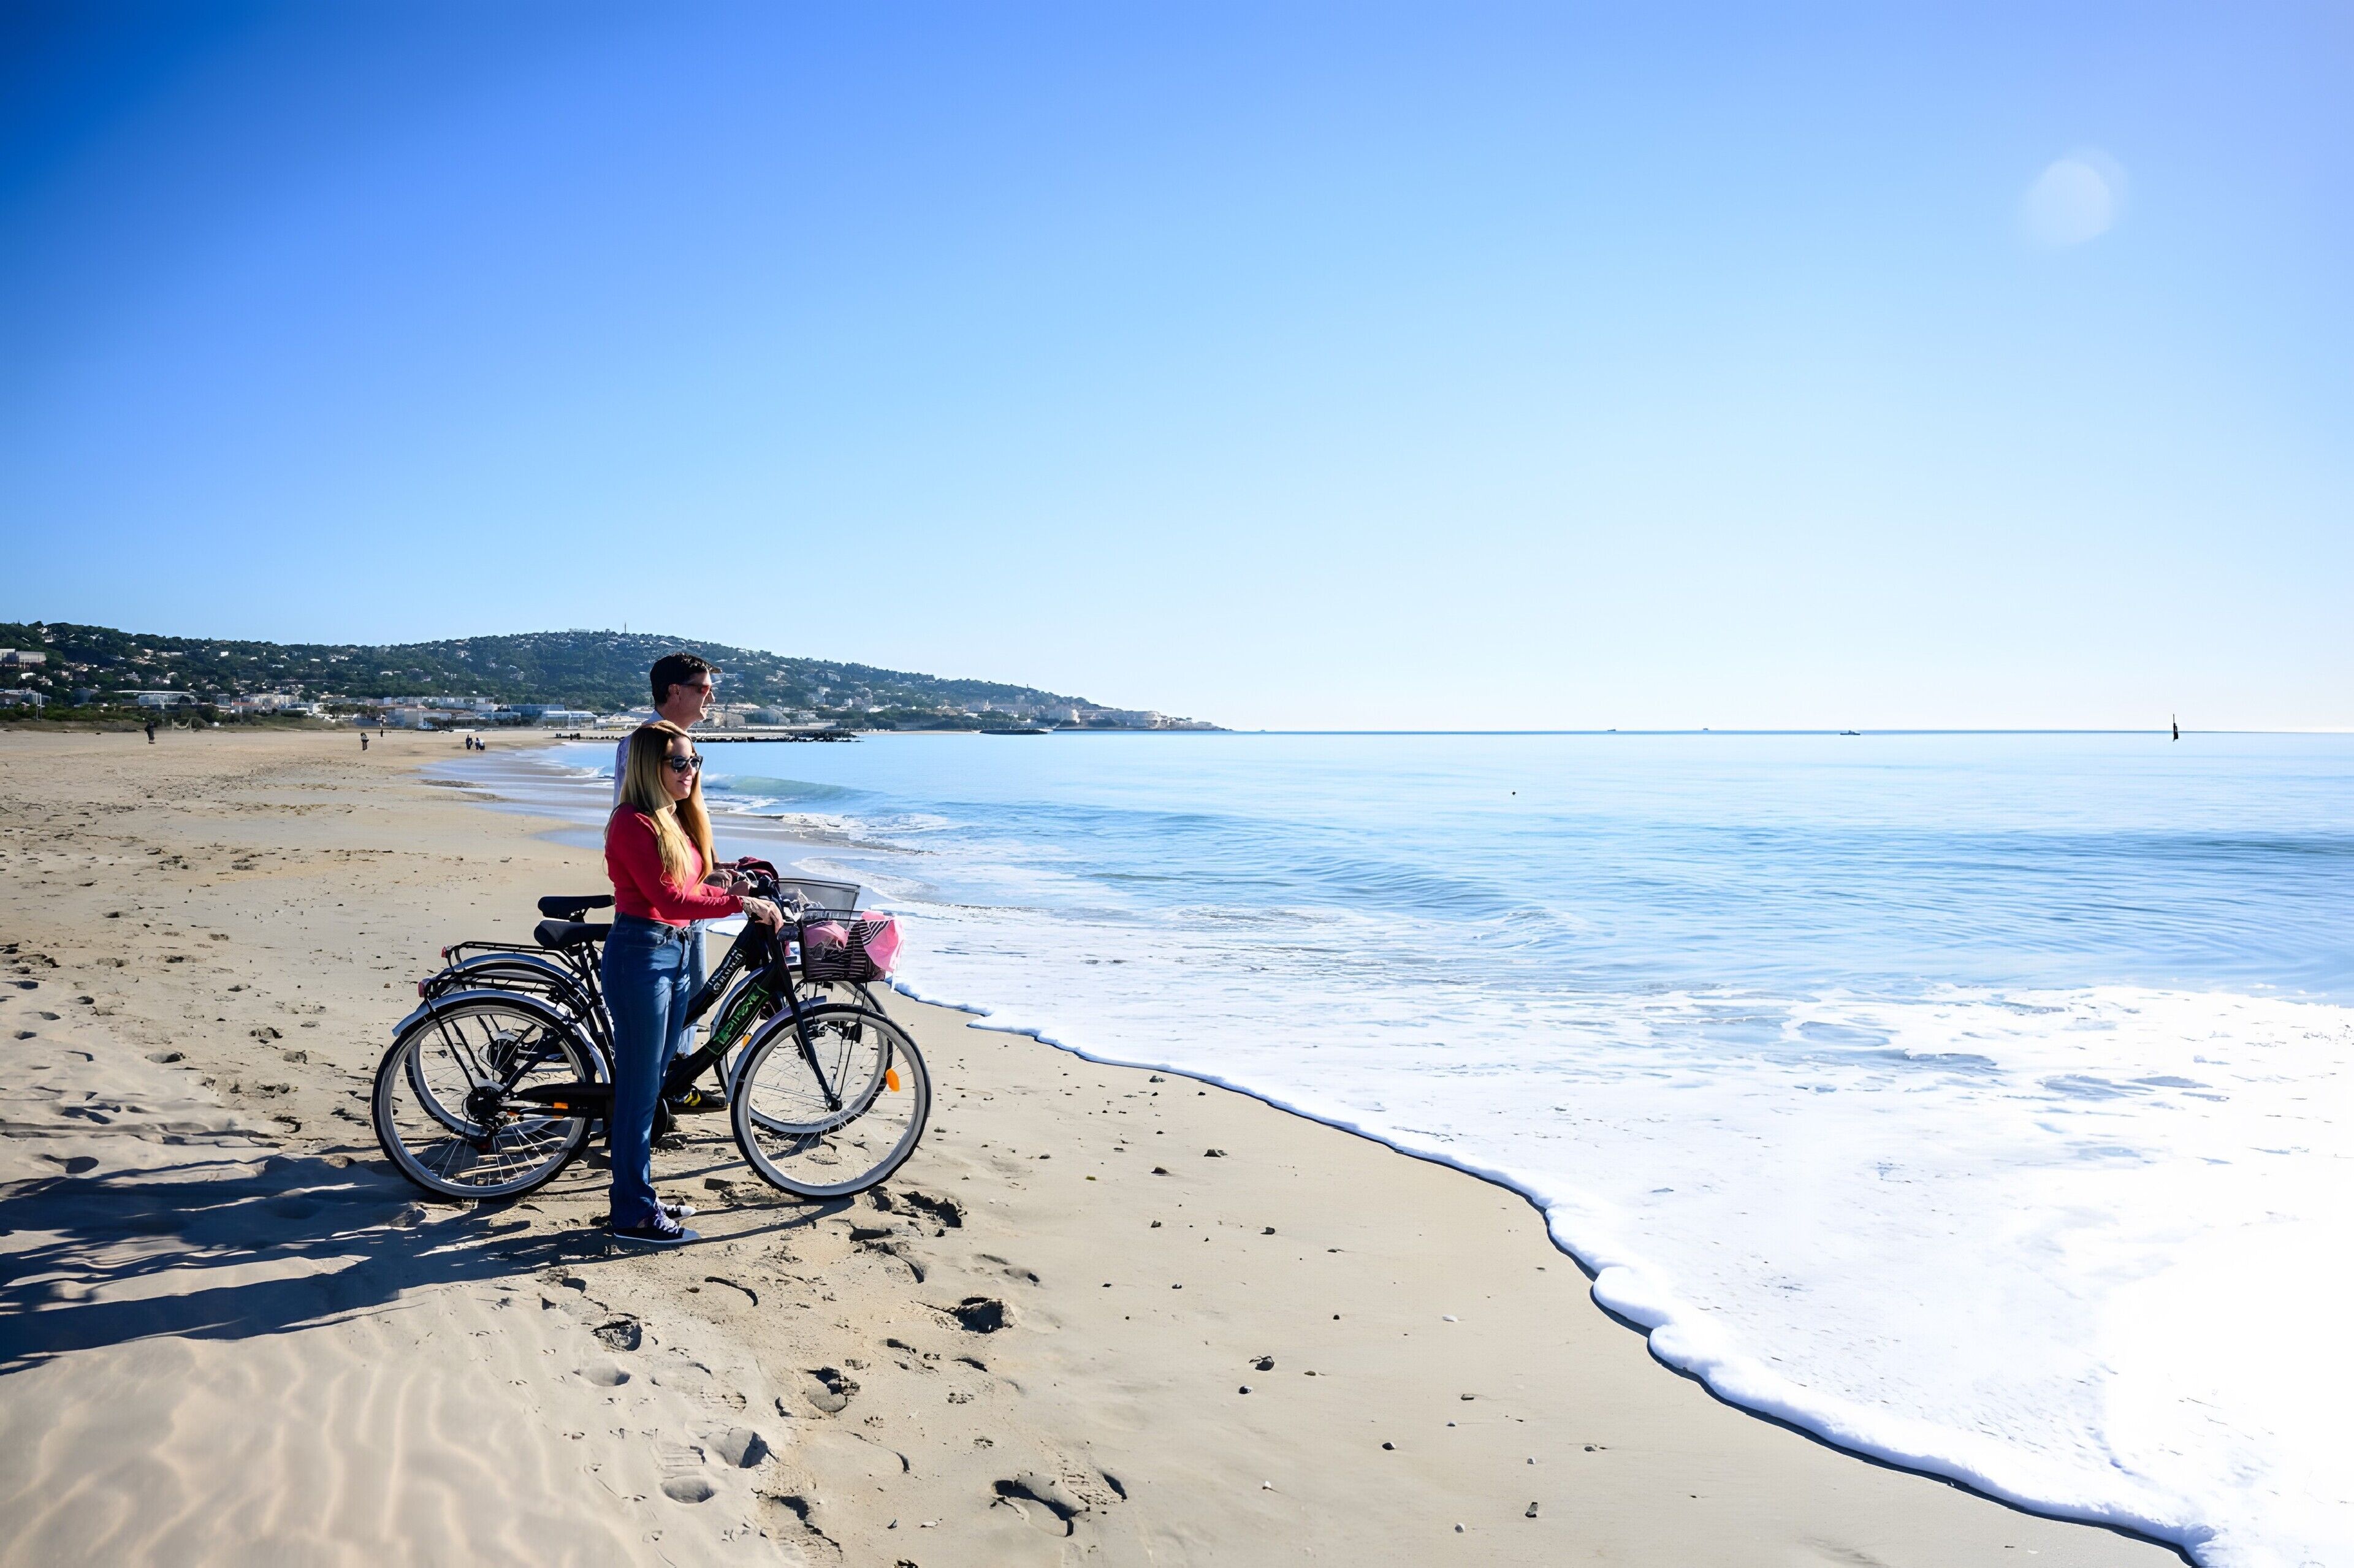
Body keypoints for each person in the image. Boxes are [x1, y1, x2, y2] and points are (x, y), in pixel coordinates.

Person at [602, 721, 780, 1245]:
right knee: (638, 1094)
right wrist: (740, 904)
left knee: (653, 1086)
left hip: (673, 954)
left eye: (694, 762)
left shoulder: (672, 819)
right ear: (649, 768)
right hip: (643, 956)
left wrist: (723, 880)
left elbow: (686, 884)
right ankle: (632, 1213)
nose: (690, 772)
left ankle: (640, 1192)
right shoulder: (632, 823)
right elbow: (668, 901)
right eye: (678, 763)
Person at [614, 653, 727, 1105]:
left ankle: (668, 1087)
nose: (711, 697)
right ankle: (660, 1091)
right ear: (674, 692)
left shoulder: (680, 744)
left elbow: (689, 820)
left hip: (684, 886)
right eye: (702, 688)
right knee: (673, 1001)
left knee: (690, 994)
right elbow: (646, 821)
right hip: (663, 900)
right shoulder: (650, 744)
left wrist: (716, 867)